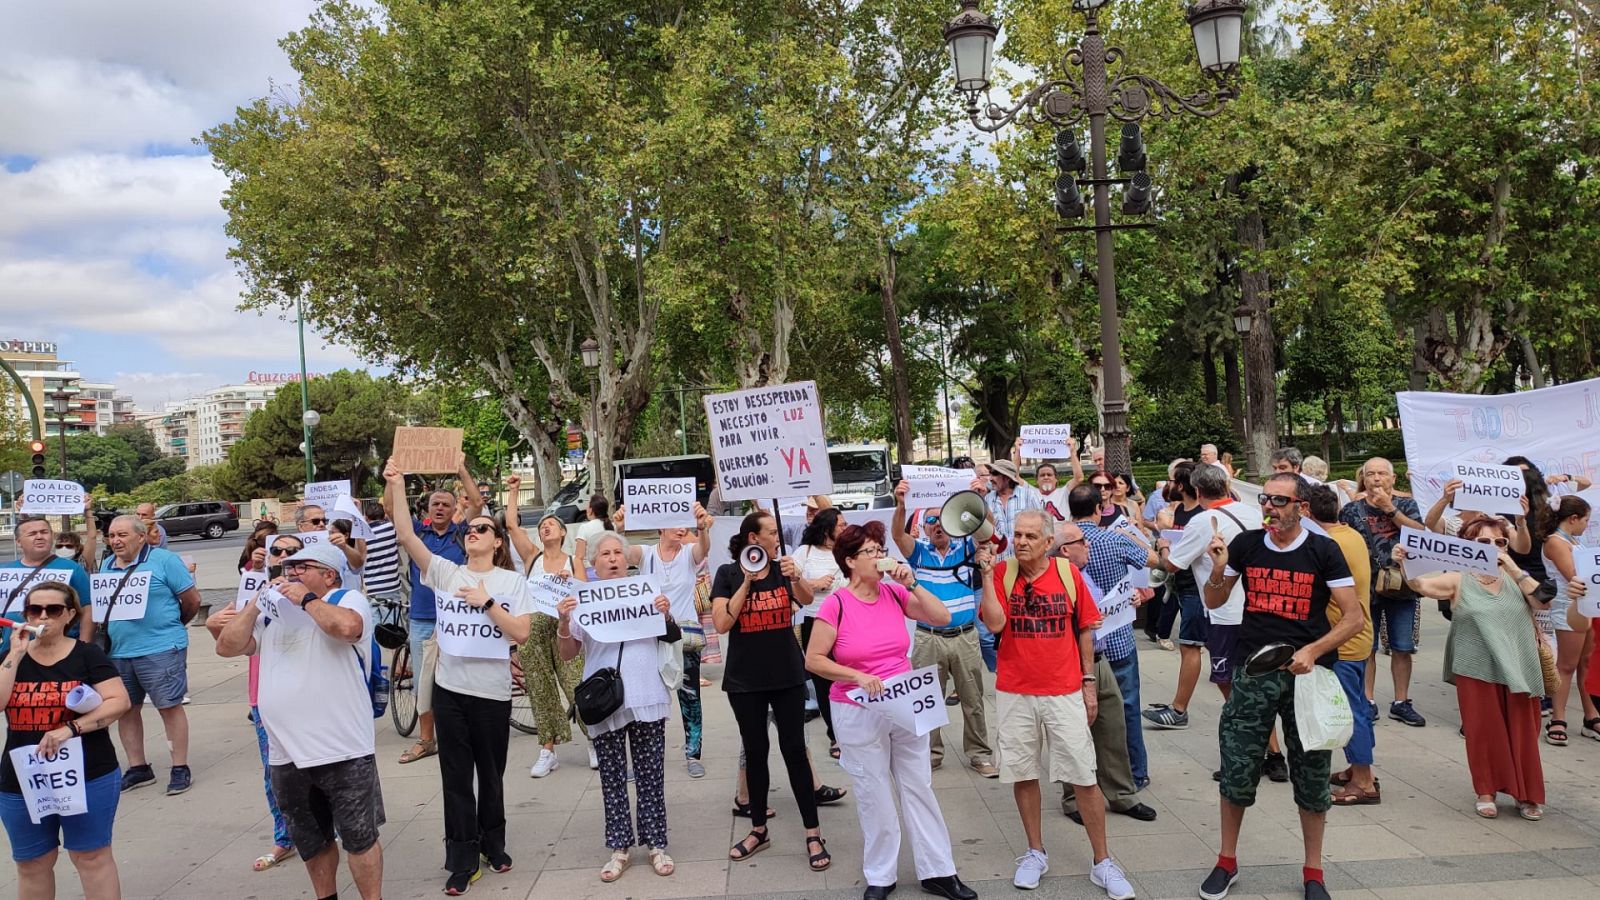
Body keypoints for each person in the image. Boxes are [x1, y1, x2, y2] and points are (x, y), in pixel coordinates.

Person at [1198, 473, 1363, 900]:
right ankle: (1226, 861)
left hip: (1307, 676)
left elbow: (1353, 619)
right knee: (1237, 767)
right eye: (1266, 500)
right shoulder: (1247, 545)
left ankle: (1313, 872)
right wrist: (1218, 569)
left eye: (1279, 501)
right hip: (1252, 670)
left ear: (1301, 508)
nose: (1269, 508)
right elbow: (1214, 601)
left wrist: (1312, 650)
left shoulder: (1323, 550)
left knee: (1310, 774)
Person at [803, 521, 977, 900]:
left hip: (903, 700)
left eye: (881, 549)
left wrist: (912, 582)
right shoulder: (836, 603)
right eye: (871, 551)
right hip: (857, 706)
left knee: (919, 784)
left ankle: (938, 871)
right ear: (849, 561)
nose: (880, 556)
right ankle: (880, 874)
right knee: (873, 790)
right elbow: (814, 659)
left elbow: (941, 617)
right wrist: (856, 675)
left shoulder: (894, 594)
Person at [387, 459, 533, 894]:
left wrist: (488, 603)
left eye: (482, 528)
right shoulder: (446, 572)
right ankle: (461, 857)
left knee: (491, 774)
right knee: (455, 776)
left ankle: (494, 842)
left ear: (496, 541)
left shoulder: (510, 581)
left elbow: (521, 632)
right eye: (469, 529)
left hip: (491, 693)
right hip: (451, 691)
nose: (473, 532)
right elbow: (406, 535)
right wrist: (396, 484)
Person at [214, 543, 385, 900]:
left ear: (329, 574)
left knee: (359, 838)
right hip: (286, 753)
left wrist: (306, 600)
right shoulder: (274, 612)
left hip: (343, 749)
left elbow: (347, 628)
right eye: (287, 567)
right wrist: (254, 605)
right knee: (312, 841)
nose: (290, 573)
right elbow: (228, 647)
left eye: (302, 567)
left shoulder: (347, 599)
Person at [978, 509, 1134, 897]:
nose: (1022, 541)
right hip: (1015, 690)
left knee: (1083, 775)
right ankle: (1035, 852)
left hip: (1063, 690)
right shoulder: (1002, 573)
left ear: (1049, 543)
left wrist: (1088, 682)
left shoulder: (1068, 575)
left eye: (1031, 536)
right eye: (1017, 534)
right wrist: (985, 574)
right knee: (1023, 773)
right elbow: (995, 624)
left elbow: (1085, 629)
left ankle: (1103, 862)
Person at [1402, 517, 1565, 820]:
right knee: (1483, 731)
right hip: (1475, 664)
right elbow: (1421, 585)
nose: (1492, 548)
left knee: (1524, 731)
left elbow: (1543, 601)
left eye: (1499, 542)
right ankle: (1486, 791)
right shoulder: (1459, 578)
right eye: (1483, 543)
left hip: (1519, 663)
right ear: (1467, 546)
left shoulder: (1517, 578)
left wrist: (1514, 569)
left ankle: (1526, 794)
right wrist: (1404, 564)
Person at [710, 511, 832, 873]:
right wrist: (747, 582)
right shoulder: (728, 574)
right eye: (772, 533)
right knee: (757, 751)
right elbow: (722, 621)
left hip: (788, 677)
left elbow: (808, 600)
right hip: (745, 682)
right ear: (753, 538)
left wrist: (798, 578)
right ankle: (758, 829)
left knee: (795, 750)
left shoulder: (784, 568)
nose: (778, 538)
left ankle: (813, 833)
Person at [556, 532, 680, 883]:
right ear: (593, 564)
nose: (612, 559)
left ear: (626, 560)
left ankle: (656, 844)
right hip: (605, 702)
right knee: (612, 778)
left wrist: (665, 615)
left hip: (646, 696)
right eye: (604, 554)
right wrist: (564, 623)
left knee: (650, 776)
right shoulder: (583, 602)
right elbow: (568, 654)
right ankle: (620, 847)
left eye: (617, 553)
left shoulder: (646, 592)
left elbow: (671, 637)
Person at [0, 582, 130, 900]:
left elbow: (118, 701)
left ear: (69, 615)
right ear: (25, 614)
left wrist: (71, 729)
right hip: (23, 777)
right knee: (32, 862)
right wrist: (15, 654)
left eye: (53, 610)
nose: (44, 615)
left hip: (88, 773)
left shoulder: (87, 655)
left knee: (91, 857)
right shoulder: (10, 657)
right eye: (35, 609)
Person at [1155, 464, 1268, 761]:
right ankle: (1274, 754)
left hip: (1224, 612)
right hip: (1256, 608)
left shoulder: (1204, 521)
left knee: (1228, 682)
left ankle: (1250, 752)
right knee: (1252, 681)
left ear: (1198, 491)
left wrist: (1164, 546)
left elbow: (1173, 565)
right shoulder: (1252, 512)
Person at [1053, 520, 1158, 827]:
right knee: (1073, 732)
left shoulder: (1083, 572)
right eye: (1082, 542)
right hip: (1072, 664)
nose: (1088, 545)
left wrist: (1133, 598)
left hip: (1101, 658)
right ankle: (1073, 798)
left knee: (1113, 725)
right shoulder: (1057, 579)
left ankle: (1122, 794)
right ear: (1064, 550)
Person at [891, 481, 996, 777]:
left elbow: (988, 532)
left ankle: (979, 754)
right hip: (928, 638)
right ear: (923, 527)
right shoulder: (919, 553)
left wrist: (979, 500)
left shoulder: (966, 546)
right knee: (926, 702)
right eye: (931, 521)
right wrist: (900, 504)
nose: (937, 526)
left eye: (941, 520)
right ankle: (930, 754)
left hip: (964, 636)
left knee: (973, 699)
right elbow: (898, 535)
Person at [212, 530, 302, 872]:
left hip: (308, 697)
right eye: (276, 551)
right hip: (263, 697)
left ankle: (329, 827)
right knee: (275, 773)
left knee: (322, 769)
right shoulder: (252, 588)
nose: (283, 556)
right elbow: (228, 643)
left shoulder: (317, 594)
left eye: (291, 551)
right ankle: (284, 838)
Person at [385, 461, 483, 765]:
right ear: (427, 509)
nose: (440, 508)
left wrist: (462, 470)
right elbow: (391, 510)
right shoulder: (416, 532)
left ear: (455, 509)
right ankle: (427, 740)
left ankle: (464, 734)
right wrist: (393, 480)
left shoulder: (463, 533)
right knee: (424, 682)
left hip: (458, 619)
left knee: (464, 678)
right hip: (424, 618)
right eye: (435, 504)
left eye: (446, 504)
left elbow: (478, 503)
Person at [100, 515, 201, 795]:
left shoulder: (165, 561)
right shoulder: (107, 564)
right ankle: (138, 767)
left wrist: (172, 627)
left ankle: (179, 767)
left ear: (141, 536)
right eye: (111, 536)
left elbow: (192, 600)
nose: (116, 541)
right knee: (126, 709)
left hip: (161, 648)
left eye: (122, 535)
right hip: (120, 651)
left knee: (169, 706)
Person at [1067, 485, 1159, 792]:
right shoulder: (1114, 539)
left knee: (1080, 713)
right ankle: (1134, 772)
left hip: (1078, 645)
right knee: (1127, 707)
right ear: (1097, 510)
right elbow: (1154, 560)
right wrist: (1133, 532)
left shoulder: (1060, 546)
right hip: (1118, 636)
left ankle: (1088, 772)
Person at [503, 477, 594, 776]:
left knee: (576, 685)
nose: (545, 527)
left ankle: (593, 740)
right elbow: (513, 527)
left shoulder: (573, 561)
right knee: (540, 690)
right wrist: (514, 492)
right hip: (535, 628)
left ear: (563, 532)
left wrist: (573, 588)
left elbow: (586, 596)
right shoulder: (533, 557)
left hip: (566, 629)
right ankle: (547, 749)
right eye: (542, 525)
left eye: (551, 524)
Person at [617, 501, 715, 777]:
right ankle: (642, 760)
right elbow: (622, 553)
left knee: (690, 696)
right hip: (650, 637)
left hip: (683, 637)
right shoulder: (647, 554)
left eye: (685, 524)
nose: (681, 529)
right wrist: (620, 529)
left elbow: (703, 549)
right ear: (661, 527)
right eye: (676, 523)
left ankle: (693, 753)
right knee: (645, 697)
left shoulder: (687, 554)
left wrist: (702, 528)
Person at [1305, 485, 1380, 806]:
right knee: (1360, 705)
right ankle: (1357, 768)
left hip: (1342, 640)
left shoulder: (1326, 543)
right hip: (1360, 636)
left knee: (1351, 712)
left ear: (1306, 512)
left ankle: (1364, 782)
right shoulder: (1350, 534)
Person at [1338, 458, 1427, 728]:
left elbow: (1422, 534)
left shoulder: (1408, 506)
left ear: (1392, 480)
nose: (1376, 479)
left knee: (1402, 646)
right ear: (1363, 479)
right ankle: (1368, 700)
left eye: (1382, 474)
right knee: (1367, 647)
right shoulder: (1352, 510)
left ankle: (1401, 701)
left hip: (1402, 586)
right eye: (1370, 474)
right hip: (1366, 587)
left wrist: (1391, 510)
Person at [1540, 496, 1599, 745]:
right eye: (1585, 519)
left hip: (1586, 607)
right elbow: (1574, 576)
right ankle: (1558, 718)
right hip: (1569, 607)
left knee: (1585, 661)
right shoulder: (1555, 542)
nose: (1588, 524)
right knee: (1566, 665)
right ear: (1573, 519)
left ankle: (1591, 715)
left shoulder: (1574, 540)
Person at [791, 507, 847, 759]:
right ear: (827, 530)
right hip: (816, 622)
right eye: (841, 525)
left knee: (849, 676)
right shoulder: (805, 553)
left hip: (848, 622)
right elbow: (789, 584)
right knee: (825, 683)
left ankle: (854, 730)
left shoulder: (847, 551)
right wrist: (814, 584)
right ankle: (835, 735)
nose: (845, 529)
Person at [2, 515, 94, 650]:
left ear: (51, 536)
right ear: (18, 542)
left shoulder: (72, 568)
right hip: (12, 650)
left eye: (44, 532)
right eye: (32, 533)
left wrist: (84, 648)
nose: (39, 537)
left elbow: (88, 610)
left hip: (59, 653)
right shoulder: (4, 571)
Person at [975, 459, 1042, 550]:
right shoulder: (987, 499)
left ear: (1007, 477)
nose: (990, 478)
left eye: (994, 474)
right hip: (998, 561)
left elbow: (1042, 527)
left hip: (1024, 560)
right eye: (990, 473)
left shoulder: (1029, 496)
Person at [362, 499, 402, 604]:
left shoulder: (361, 535)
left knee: (372, 620)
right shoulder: (391, 528)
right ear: (383, 516)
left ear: (366, 517)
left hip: (370, 588)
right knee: (391, 620)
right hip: (390, 586)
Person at [572, 494, 615, 572]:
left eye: (587, 506)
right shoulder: (612, 526)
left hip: (591, 571)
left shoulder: (585, 527)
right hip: (610, 568)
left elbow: (579, 556)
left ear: (591, 510)